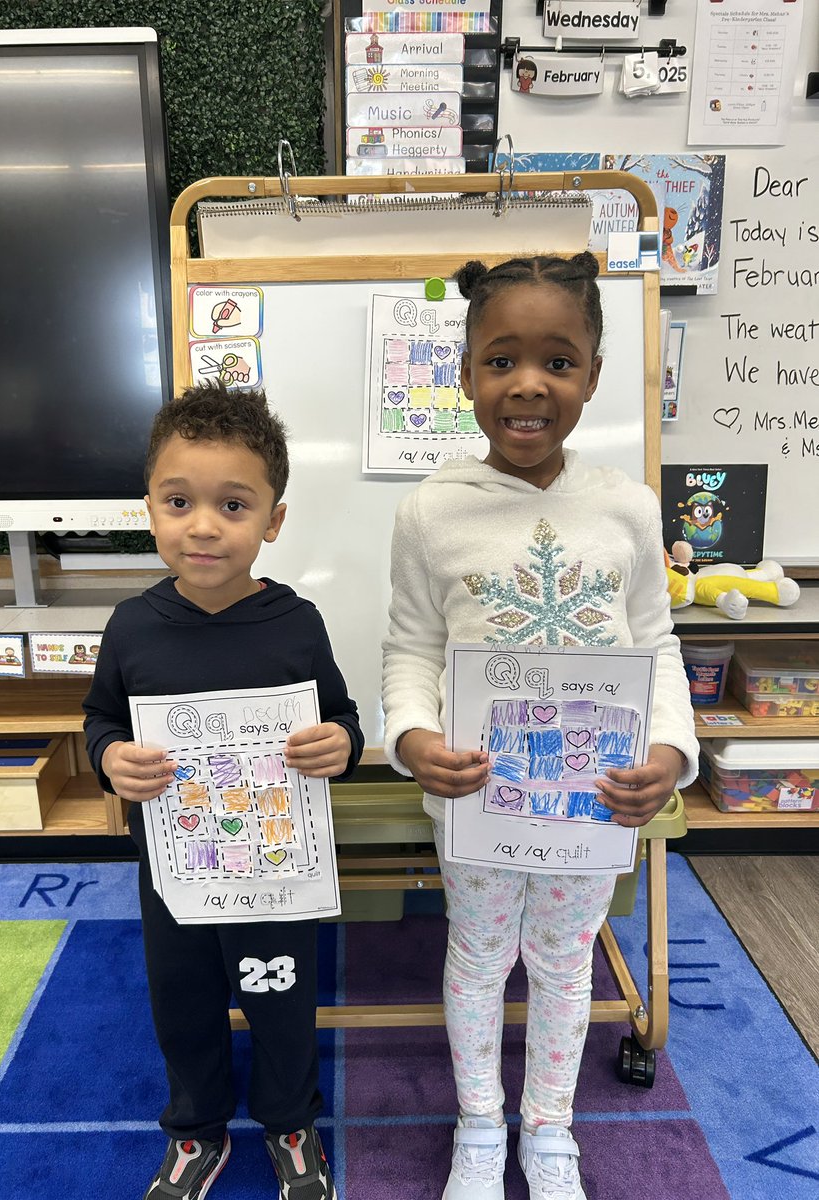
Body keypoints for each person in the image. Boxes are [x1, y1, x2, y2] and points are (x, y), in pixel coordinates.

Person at [382, 253, 698, 1200]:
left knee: (564, 963)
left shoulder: (627, 510)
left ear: (593, 376)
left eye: (558, 362)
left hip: (589, 804)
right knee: (478, 954)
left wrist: (672, 755)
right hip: (479, 803)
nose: (528, 384)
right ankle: (481, 1123)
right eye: (501, 360)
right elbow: (408, 650)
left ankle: (547, 1128)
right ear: (468, 373)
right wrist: (412, 741)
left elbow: (658, 645)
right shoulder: (434, 511)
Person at [84, 380, 363, 1200]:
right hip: (175, 877)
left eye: (233, 506)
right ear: (150, 508)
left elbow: (340, 716)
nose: (203, 525)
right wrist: (109, 760)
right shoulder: (132, 626)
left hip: (276, 876)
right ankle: (196, 1131)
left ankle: (289, 1122)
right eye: (179, 501)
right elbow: (100, 718)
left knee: (282, 1005)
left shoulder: (295, 623)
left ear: (272, 521)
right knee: (184, 1005)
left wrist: (338, 742)